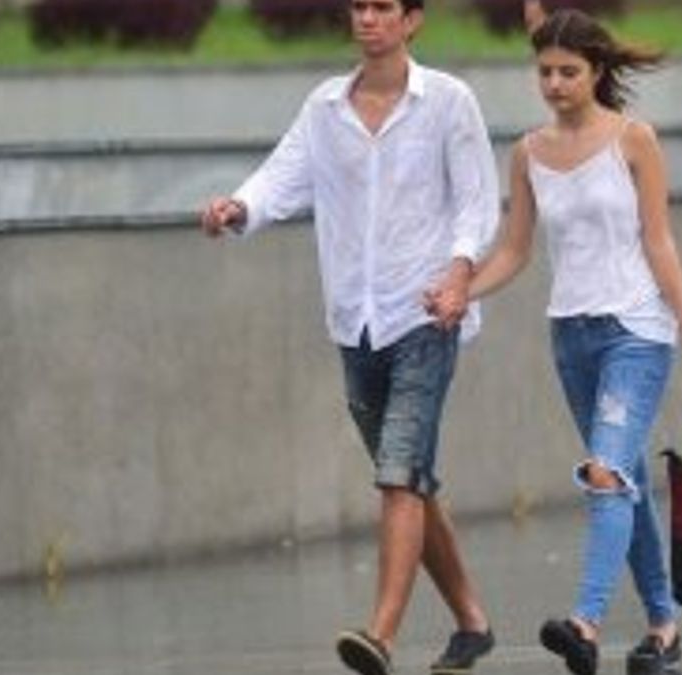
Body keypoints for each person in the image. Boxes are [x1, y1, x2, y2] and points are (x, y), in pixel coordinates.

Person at [199, 1, 499, 674]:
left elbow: (478, 203)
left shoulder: (449, 101)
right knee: (409, 479)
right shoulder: (325, 108)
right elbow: (281, 177)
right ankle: (472, 622)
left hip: (426, 315)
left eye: (382, 7)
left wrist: (458, 274)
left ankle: (379, 637)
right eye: (359, 5)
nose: (367, 18)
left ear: (412, 20)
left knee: (398, 477)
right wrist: (238, 207)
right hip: (354, 322)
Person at [449, 8, 682, 675]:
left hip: (636, 329)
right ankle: (663, 628)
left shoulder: (635, 140)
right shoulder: (528, 152)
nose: (554, 84)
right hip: (570, 335)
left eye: (568, 72)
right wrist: (462, 293)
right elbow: (514, 250)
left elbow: (659, 240)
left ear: (597, 71)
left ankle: (585, 623)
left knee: (605, 473)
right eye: (544, 72)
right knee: (623, 480)